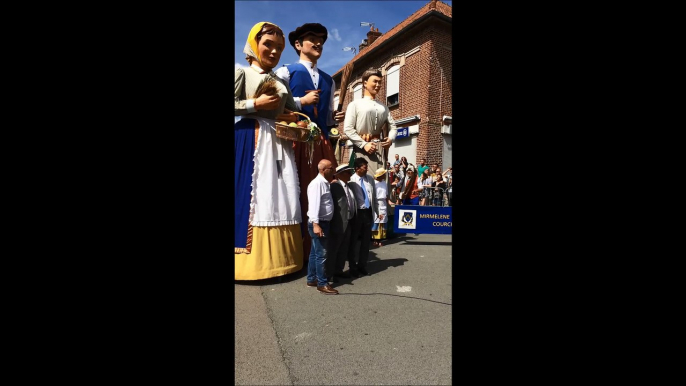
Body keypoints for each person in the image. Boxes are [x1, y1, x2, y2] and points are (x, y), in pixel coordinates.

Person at [234, 22, 304, 280]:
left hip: (278, 138)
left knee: (281, 192)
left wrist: (299, 121)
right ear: (254, 45)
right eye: (268, 45)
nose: (274, 52)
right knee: (256, 193)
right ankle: (248, 263)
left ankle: (284, 260)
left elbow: (288, 113)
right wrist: (256, 103)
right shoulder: (242, 73)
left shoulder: (280, 80)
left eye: (279, 48)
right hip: (250, 138)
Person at [275, 23, 346, 265]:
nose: (318, 43)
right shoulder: (285, 72)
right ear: (298, 44)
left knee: (323, 195)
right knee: (295, 193)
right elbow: (275, 105)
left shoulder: (329, 80)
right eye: (312, 39)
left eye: (321, 40)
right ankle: (296, 253)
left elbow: (326, 118)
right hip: (296, 140)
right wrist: (300, 100)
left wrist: (333, 118)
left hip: (322, 143)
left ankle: (320, 254)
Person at [343, 69, 398, 173]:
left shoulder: (384, 107)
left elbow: (393, 127)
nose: (378, 85)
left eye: (380, 82)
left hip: (380, 150)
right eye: (375, 81)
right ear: (365, 83)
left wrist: (390, 139)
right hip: (362, 149)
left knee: (381, 182)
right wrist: (364, 144)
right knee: (365, 181)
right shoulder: (355, 104)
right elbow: (348, 129)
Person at [306, 159, 338, 294]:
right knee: (321, 254)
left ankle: (312, 278)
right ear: (323, 170)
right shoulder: (317, 184)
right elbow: (314, 205)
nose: (334, 170)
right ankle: (322, 283)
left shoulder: (324, 183)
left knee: (315, 253)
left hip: (323, 222)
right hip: (320, 223)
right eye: (331, 168)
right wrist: (316, 224)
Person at [326, 164, 357, 282]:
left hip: (348, 221)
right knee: (334, 249)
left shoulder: (348, 186)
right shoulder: (335, 186)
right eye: (348, 172)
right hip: (339, 222)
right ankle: (329, 274)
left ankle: (338, 270)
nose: (350, 175)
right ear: (340, 174)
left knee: (343, 248)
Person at [348, 157, 377, 277]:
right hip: (357, 213)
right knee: (354, 241)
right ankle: (352, 266)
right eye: (364, 168)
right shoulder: (351, 180)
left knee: (366, 241)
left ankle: (362, 265)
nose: (366, 170)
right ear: (357, 169)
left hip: (368, 212)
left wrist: (377, 211)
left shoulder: (370, 179)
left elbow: (373, 196)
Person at [371, 167, 390, 247]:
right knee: (377, 220)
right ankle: (375, 239)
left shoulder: (384, 183)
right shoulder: (374, 183)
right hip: (376, 202)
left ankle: (381, 239)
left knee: (383, 221)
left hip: (383, 203)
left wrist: (388, 201)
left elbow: (386, 194)